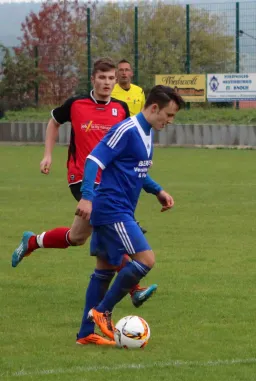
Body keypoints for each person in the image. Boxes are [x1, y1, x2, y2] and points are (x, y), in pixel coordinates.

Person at [10, 59, 157, 339]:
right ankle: (132, 289)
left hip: (112, 183)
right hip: (83, 179)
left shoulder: (121, 108)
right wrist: (48, 154)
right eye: (102, 77)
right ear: (93, 79)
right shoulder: (76, 105)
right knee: (115, 228)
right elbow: (54, 122)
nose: (107, 82)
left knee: (78, 237)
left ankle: (34, 240)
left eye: (111, 78)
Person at [76, 85, 184, 345]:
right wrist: (87, 196)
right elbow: (94, 160)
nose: (170, 121)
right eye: (168, 115)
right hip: (112, 208)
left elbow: (137, 169)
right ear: (154, 107)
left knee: (105, 269)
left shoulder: (148, 132)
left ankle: (85, 333)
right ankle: (102, 311)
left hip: (119, 207)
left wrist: (157, 190)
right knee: (146, 260)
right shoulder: (126, 129)